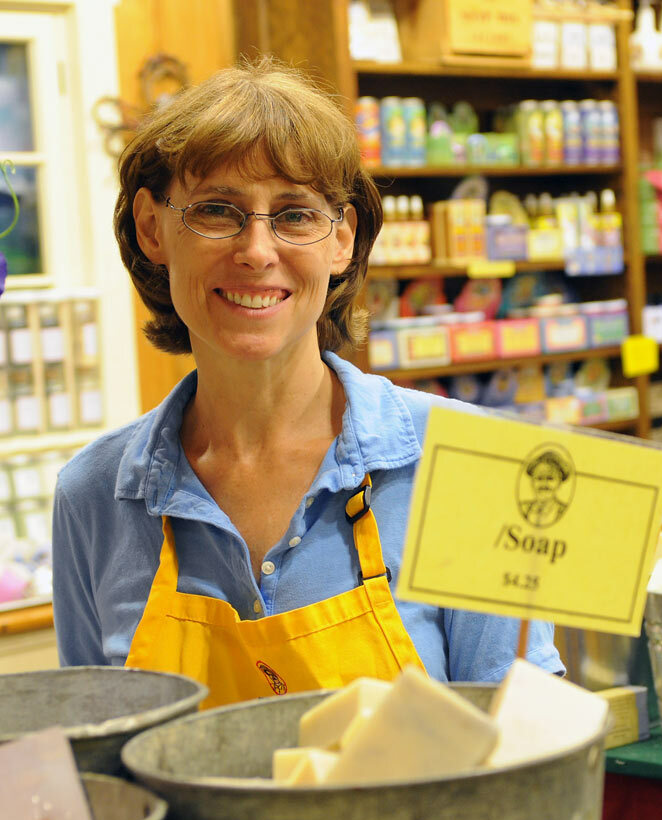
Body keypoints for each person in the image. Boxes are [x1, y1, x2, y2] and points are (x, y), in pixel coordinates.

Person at [51, 57, 563, 708]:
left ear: (342, 240)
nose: (258, 251)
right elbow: (96, 771)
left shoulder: (471, 464)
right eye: (216, 210)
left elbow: (522, 752)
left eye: (294, 215)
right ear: (154, 228)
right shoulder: (94, 498)